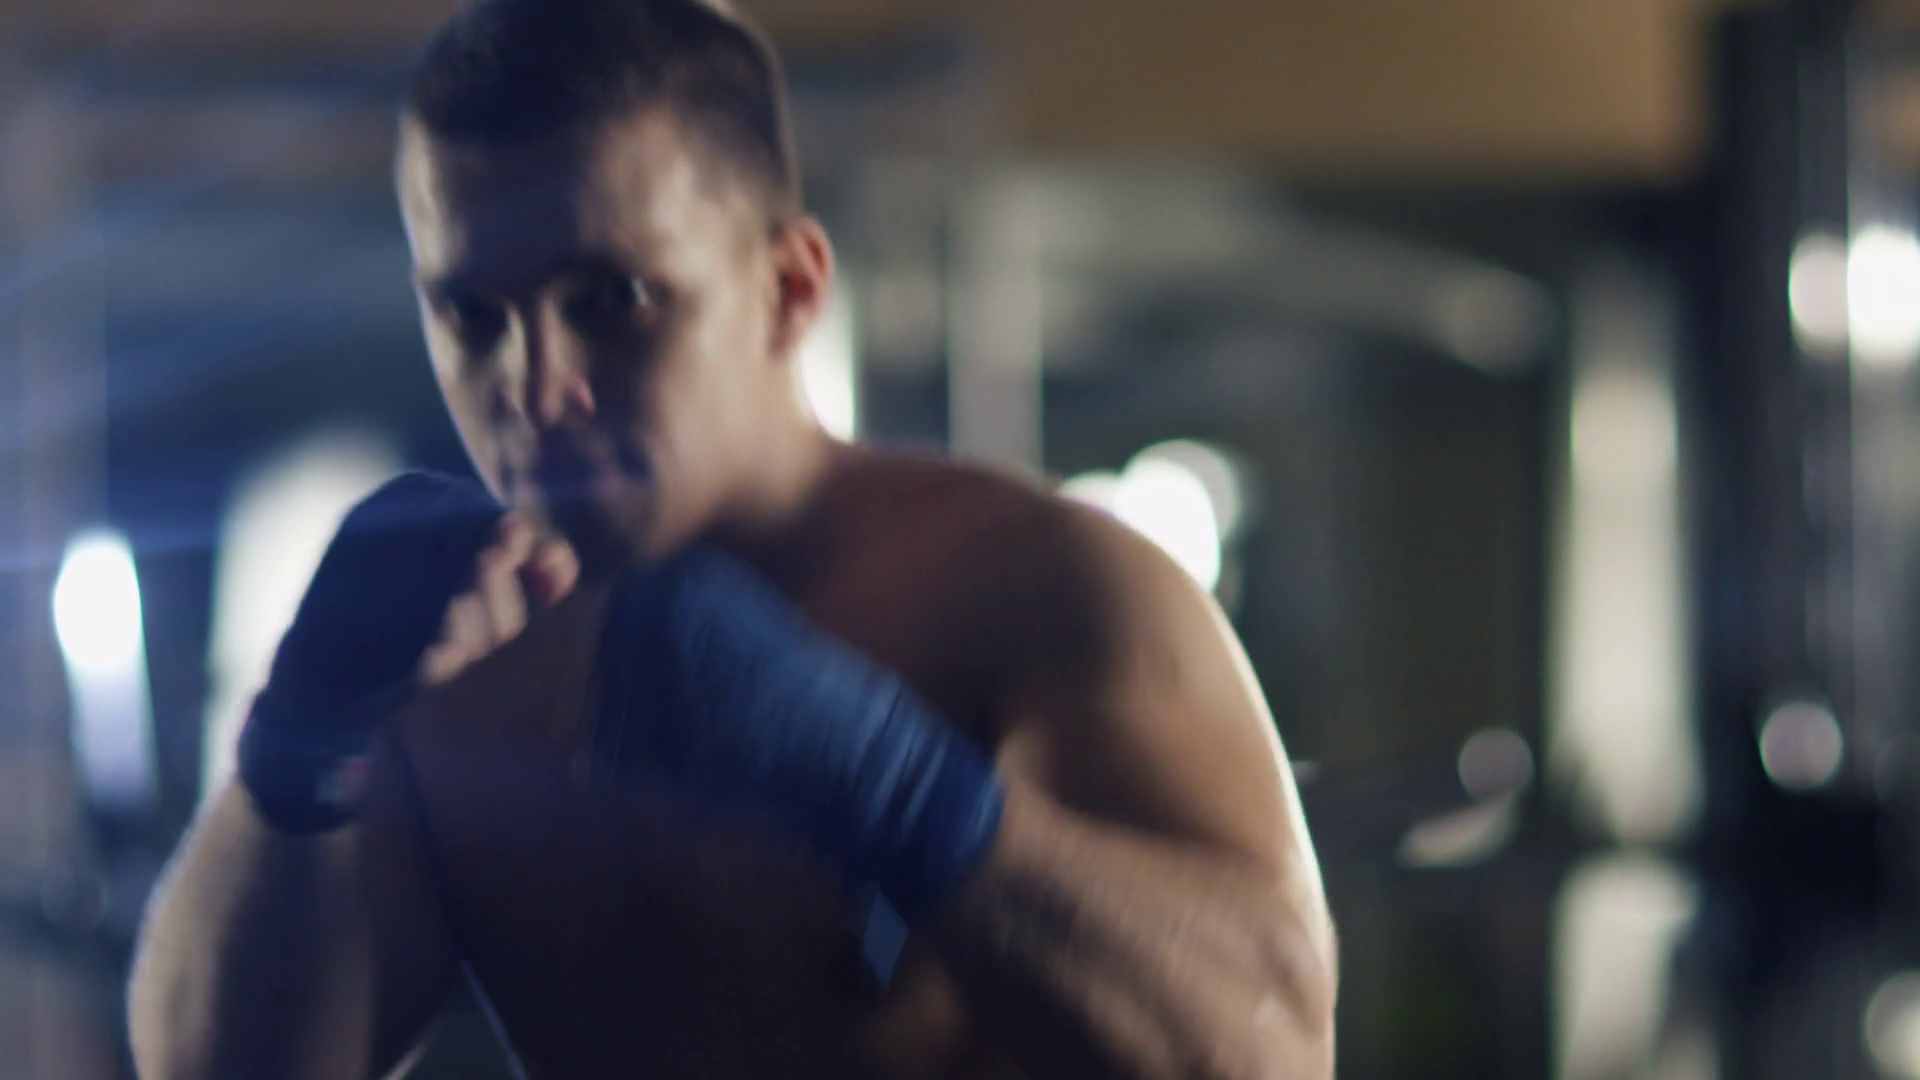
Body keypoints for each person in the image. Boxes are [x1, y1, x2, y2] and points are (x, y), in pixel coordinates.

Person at [126, 1, 1337, 1076]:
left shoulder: (1039, 586)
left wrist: (899, 792)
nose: (535, 386)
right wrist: (295, 756)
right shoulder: (453, 662)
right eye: (473, 314)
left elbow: (1273, 1056)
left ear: (790, 291)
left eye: (614, 301)